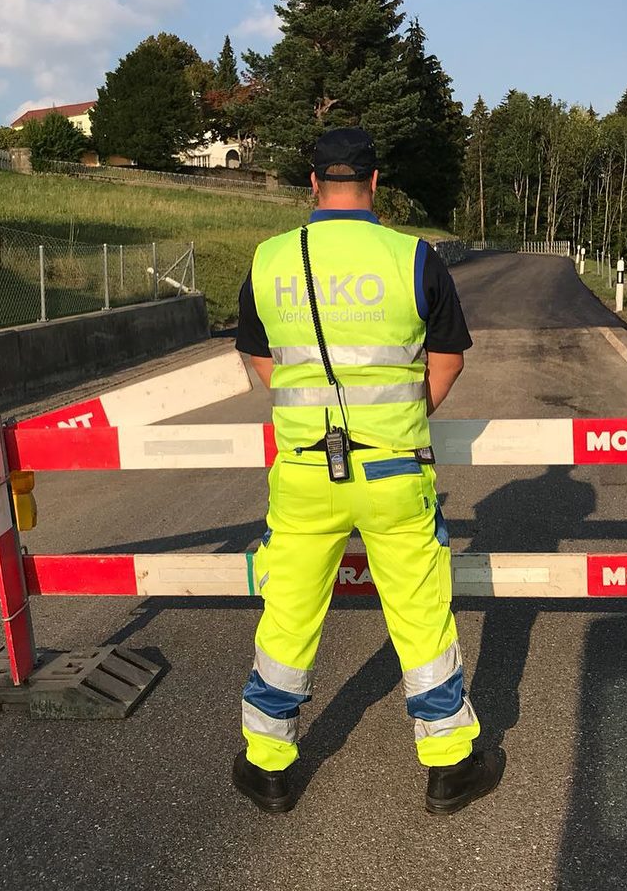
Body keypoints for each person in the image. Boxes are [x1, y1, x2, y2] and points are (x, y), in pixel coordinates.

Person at [232, 126, 503, 815]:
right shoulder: (415, 258)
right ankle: (448, 764)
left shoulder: (268, 261)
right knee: (419, 612)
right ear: (377, 183)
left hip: (302, 473)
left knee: (289, 612)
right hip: (393, 472)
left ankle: (267, 764)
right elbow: (447, 363)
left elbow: (267, 365)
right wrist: (397, 421)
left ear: (313, 184)